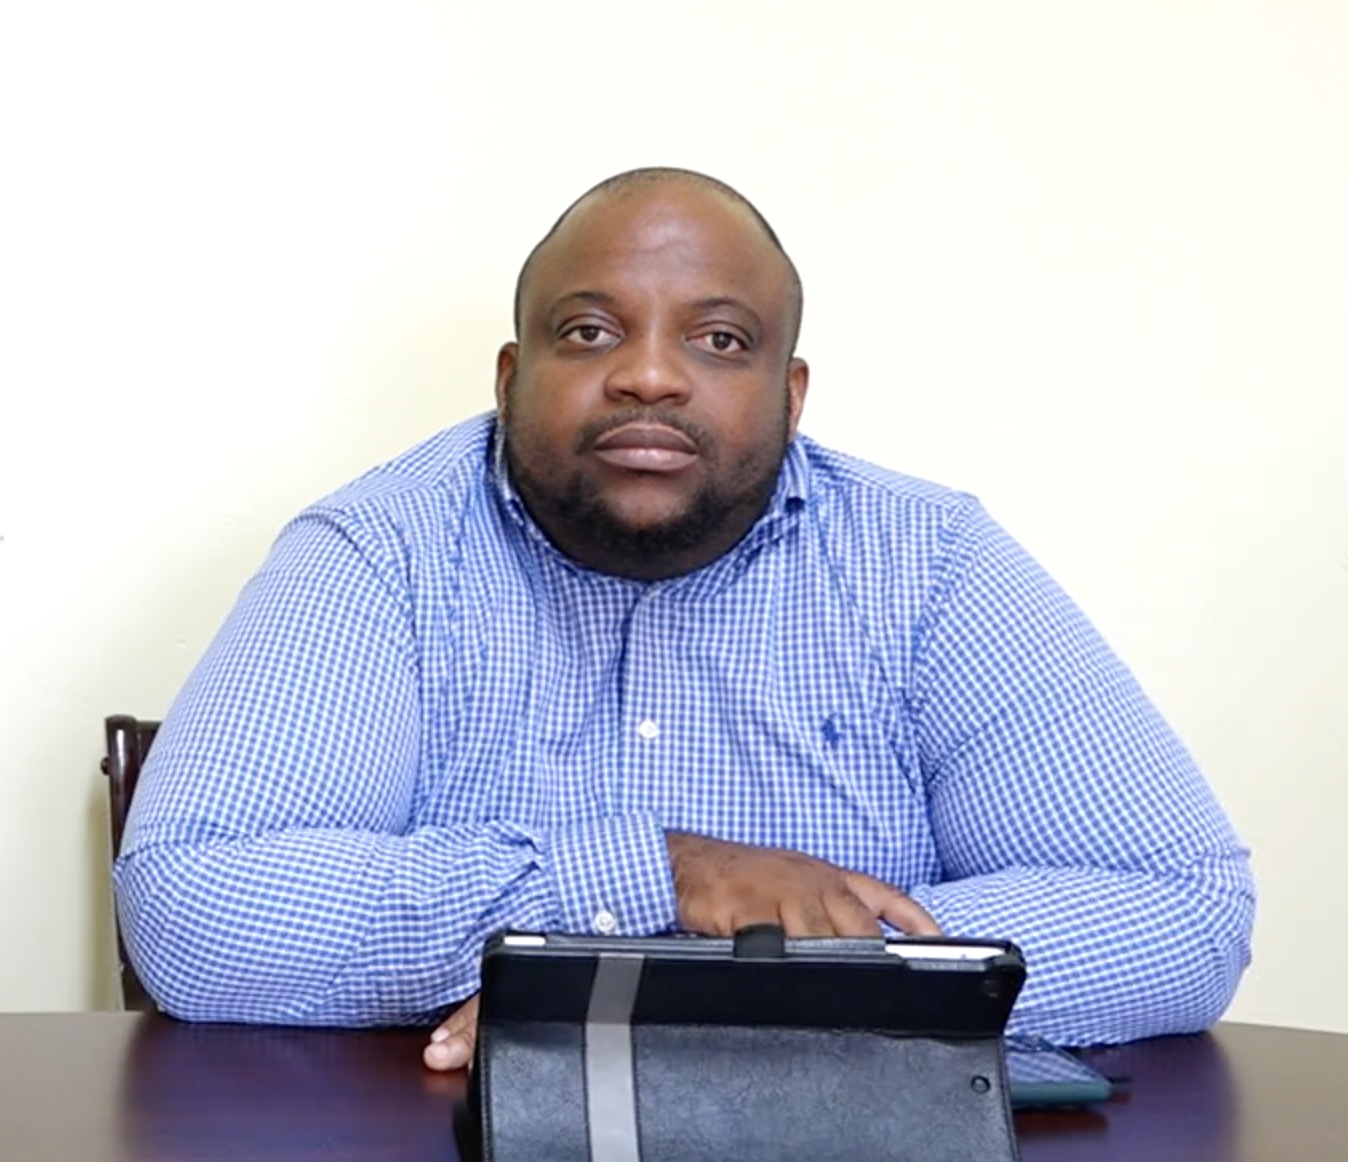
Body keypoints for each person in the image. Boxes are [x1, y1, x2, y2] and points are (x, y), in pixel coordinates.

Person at [114, 167, 1252, 1070]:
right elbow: (195, 908)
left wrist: (704, 999)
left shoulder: (929, 563)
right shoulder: (380, 552)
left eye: (717, 341)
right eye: (589, 333)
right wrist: (668, 874)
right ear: (508, 376)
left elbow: (1177, 910)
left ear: (790, 396)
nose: (648, 379)